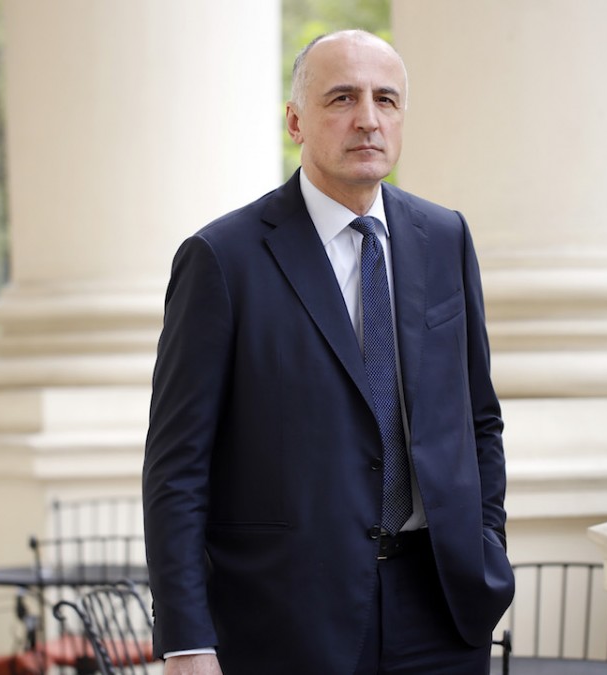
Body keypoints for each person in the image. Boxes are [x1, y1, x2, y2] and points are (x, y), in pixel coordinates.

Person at [143, 30, 514, 675]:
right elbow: (177, 467)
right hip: (287, 617)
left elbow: (479, 417)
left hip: (443, 609)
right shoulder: (222, 260)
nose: (368, 118)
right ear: (295, 122)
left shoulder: (445, 236)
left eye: (385, 99)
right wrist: (187, 640)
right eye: (342, 98)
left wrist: (486, 544)